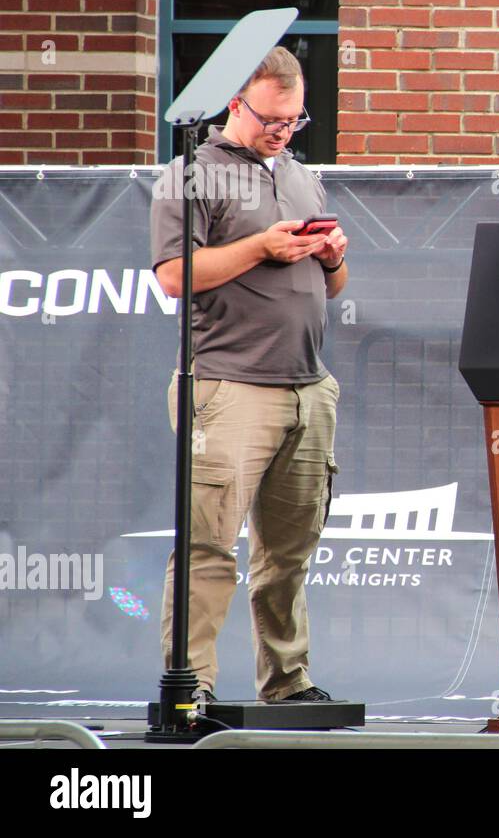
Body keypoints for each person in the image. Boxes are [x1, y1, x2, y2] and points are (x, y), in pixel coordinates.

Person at [150, 46, 348, 705]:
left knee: (288, 554)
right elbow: (175, 276)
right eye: (272, 119)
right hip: (229, 387)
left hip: (306, 386)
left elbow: (333, 286)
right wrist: (261, 247)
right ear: (235, 102)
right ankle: (192, 689)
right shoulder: (191, 174)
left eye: (295, 120)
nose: (283, 132)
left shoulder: (298, 172)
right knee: (208, 546)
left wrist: (333, 255)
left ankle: (288, 681)